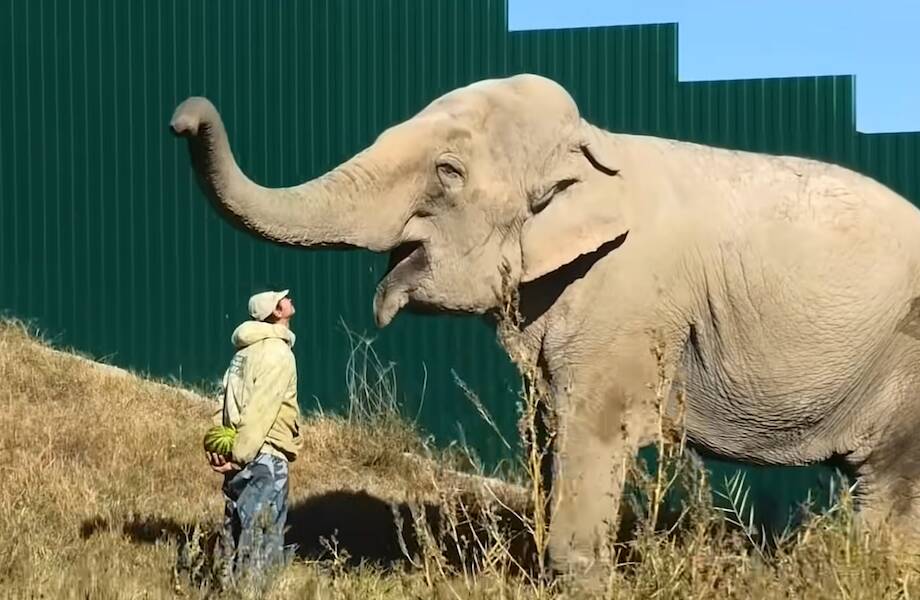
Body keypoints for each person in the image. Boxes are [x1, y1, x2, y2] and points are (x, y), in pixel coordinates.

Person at [206, 288, 304, 588]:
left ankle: (221, 586)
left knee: (235, 525)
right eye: (283, 299)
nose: (290, 300)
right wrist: (238, 455)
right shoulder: (278, 353)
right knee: (261, 531)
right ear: (276, 311)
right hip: (263, 455)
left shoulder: (242, 354)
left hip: (241, 453)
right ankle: (251, 591)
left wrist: (219, 449)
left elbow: (224, 401)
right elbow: (263, 408)